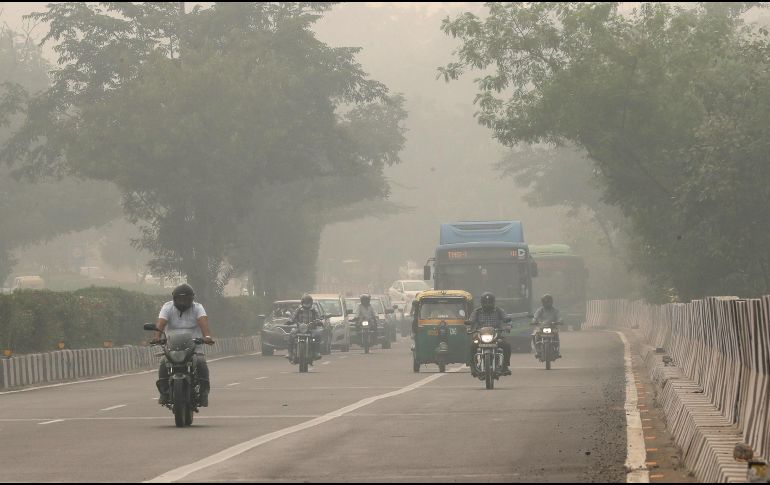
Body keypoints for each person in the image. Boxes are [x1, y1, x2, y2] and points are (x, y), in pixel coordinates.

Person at [154, 284, 215, 407]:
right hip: (172, 345)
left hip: (193, 345)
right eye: (180, 299)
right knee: (163, 364)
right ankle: (164, 393)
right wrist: (156, 337)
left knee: (201, 363)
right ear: (174, 299)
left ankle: (203, 393)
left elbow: (203, 323)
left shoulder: (198, 308)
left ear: (192, 299)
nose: (183, 302)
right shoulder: (167, 307)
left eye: (186, 299)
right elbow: (160, 324)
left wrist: (207, 337)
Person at [467, 292, 511, 376]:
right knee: (472, 346)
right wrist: (469, 326)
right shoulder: (477, 311)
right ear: (482, 302)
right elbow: (471, 321)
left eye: (490, 302)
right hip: (480, 336)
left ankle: (505, 366)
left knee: (506, 345)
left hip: (496, 335)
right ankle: (473, 367)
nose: (488, 304)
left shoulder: (499, 310)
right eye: (485, 302)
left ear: (493, 302)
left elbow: (506, 318)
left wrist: (508, 325)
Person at [288, 294, 324, 362]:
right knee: (291, 334)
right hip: (300, 329)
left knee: (318, 334)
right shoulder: (299, 309)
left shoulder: (314, 310)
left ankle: (316, 352)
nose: (307, 304)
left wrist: (319, 321)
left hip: (311, 329)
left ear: (311, 302)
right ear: (302, 302)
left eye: (308, 302)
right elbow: (293, 317)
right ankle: (290, 353)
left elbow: (318, 317)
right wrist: (290, 321)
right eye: (305, 302)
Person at [531, 294, 562, 359]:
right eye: (546, 302)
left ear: (551, 302)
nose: (547, 303)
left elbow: (559, 317)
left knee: (556, 334)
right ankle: (537, 351)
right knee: (534, 335)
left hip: (552, 327)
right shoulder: (540, 310)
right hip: (542, 327)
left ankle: (557, 351)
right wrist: (534, 321)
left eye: (548, 302)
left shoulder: (555, 310)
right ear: (543, 303)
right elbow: (535, 317)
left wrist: (560, 321)